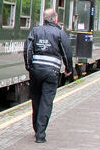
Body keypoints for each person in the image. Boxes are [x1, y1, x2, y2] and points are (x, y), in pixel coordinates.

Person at [23, 8, 74, 143]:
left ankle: (36, 129)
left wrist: (29, 67)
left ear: (44, 19)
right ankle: (40, 134)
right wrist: (69, 69)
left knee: (36, 100)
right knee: (46, 102)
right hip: (52, 72)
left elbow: (27, 49)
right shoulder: (60, 33)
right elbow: (67, 52)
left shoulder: (35, 31)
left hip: (36, 71)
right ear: (56, 19)